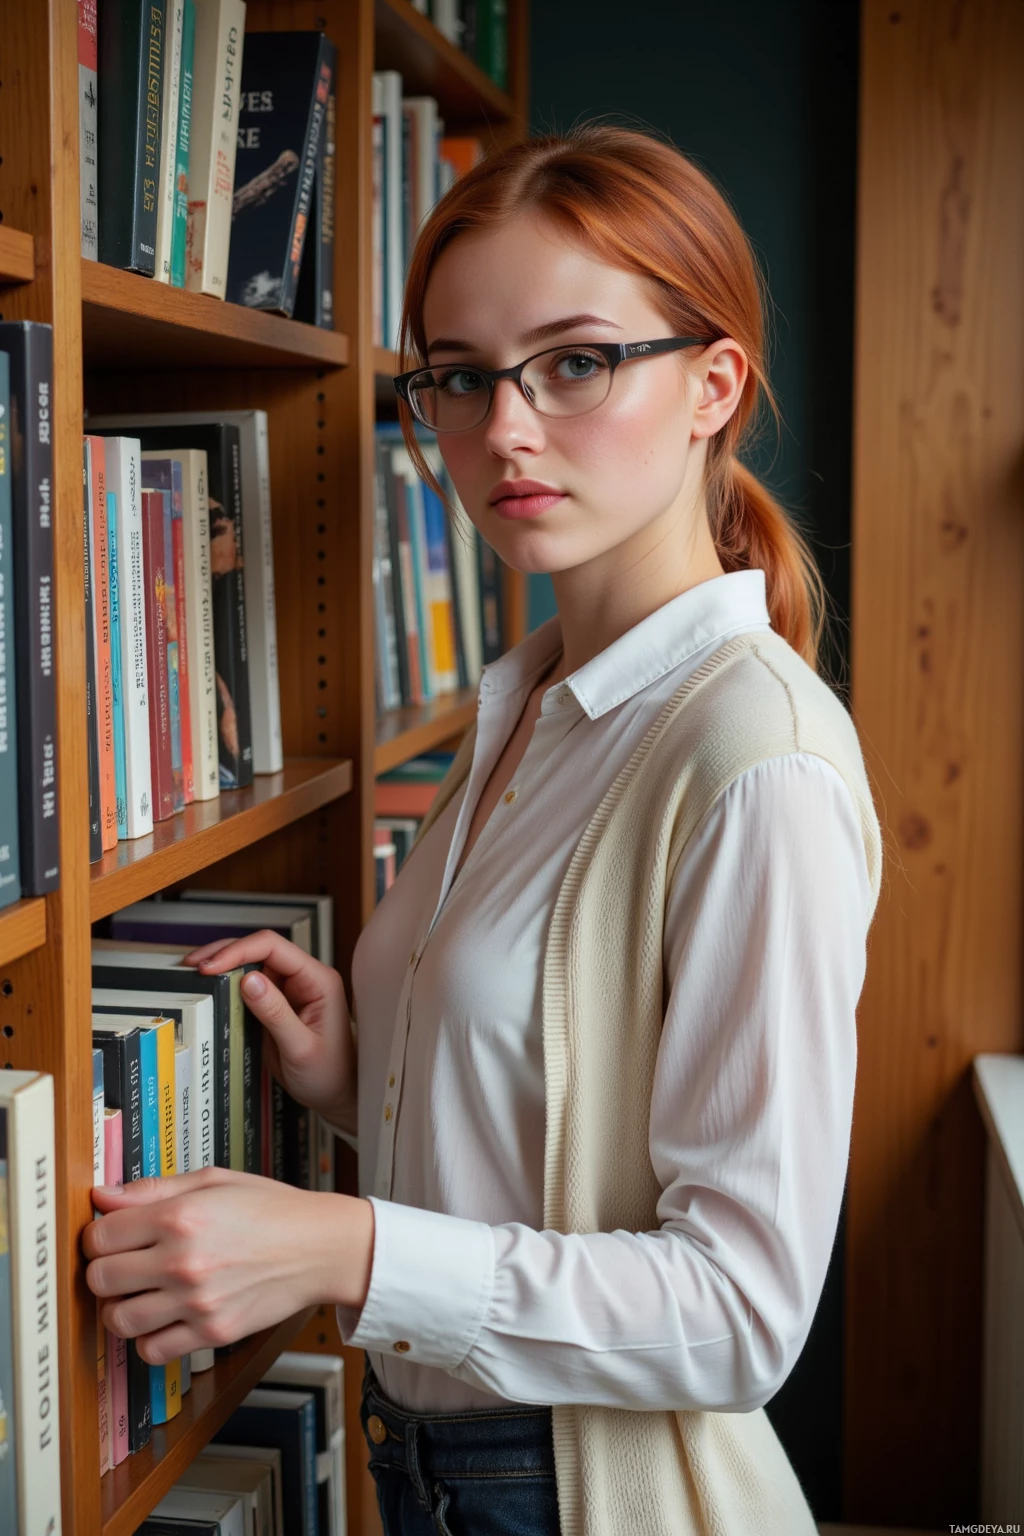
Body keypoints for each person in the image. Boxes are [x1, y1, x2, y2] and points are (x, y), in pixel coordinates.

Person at [84, 124, 882, 1535]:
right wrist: (363, 1066)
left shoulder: (758, 761)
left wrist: (345, 1244)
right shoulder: (530, 702)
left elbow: (741, 1314)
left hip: (584, 1493)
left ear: (713, 386)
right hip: (434, 1470)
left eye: (575, 363)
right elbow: (566, 1115)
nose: (503, 428)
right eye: (459, 377)